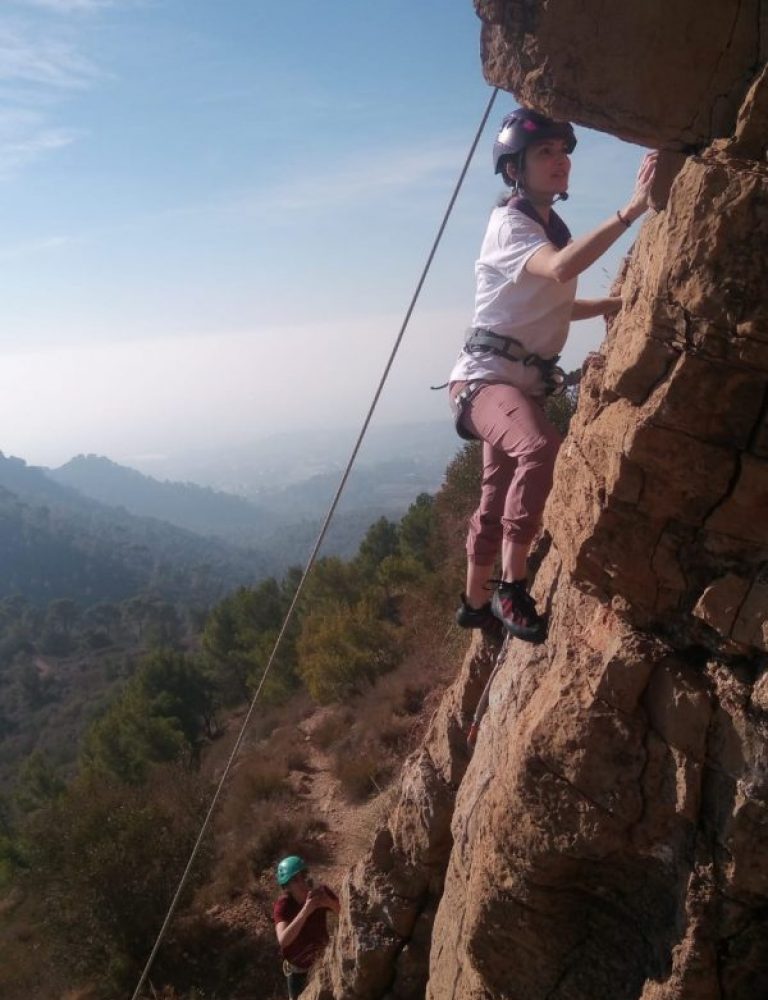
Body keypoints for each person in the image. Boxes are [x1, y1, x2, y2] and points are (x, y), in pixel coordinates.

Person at [450, 108, 657, 642]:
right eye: (546, 152)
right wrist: (633, 208)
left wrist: (614, 301)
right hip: (484, 382)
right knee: (539, 448)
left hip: (508, 382)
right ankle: (511, 588)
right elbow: (562, 269)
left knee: (494, 496)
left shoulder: (548, 229)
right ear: (514, 168)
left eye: (563, 152)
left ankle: (474, 604)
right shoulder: (511, 225)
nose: (560, 160)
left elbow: (556, 303)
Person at [273, 855, 340, 998]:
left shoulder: (320, 892)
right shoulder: (284, 905)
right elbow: (283, 940)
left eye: (303, 876)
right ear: (287, 887)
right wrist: (306, 911)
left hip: (323, 964)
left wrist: (328, 902)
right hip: (298, 971)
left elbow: (345, 912)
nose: (302, 882)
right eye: (295, 880)